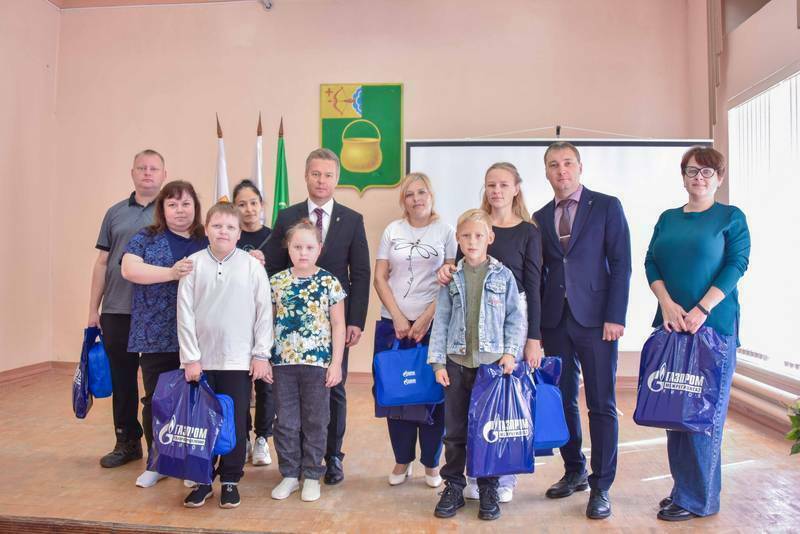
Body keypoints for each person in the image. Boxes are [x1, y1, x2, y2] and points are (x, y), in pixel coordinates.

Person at [644, 146, 750, 521]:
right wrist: (667, 304)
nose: (699, 178)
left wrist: (703, 309)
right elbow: (651, 262)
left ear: (719, 178)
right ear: (683, 176)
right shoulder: (668, 218)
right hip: (672, 326)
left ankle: (699, 500)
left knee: (703, 416)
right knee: (674, 412)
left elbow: (737, 264)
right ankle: (682, 490)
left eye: (707, 172)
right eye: (692, 171)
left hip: (713, 329)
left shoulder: (730, 217)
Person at [533, 141, 631, 520]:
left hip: (598, 321)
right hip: (555, 321)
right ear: (546, 172)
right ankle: (574, 469)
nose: (562, 170)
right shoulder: (540, 217)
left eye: (568, 163)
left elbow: (620, 264)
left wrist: (615, 316)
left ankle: (601, 485)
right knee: (562, 399)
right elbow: (539, 272)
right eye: (553, 164)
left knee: (602, 403)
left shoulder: (606, 206)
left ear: (579, 167)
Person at [436, 162, 543, 503]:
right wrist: (445, 270)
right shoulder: (473, 227)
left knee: (500, 409)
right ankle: (465, 479)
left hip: (504, 333)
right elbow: (455, 282)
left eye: (503, 184)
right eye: (491, 185)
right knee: (462, 416)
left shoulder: (528, 232)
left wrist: (531, 340)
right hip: (464, 340)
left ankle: (498, 481)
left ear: (516, 188)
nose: (496, 191)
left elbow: (532, 290)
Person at [264, 148, 370, 485]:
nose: (321, 180)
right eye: (315, 174)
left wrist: (355, 320)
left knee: (333, 388)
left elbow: (361, 273)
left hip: (334, 325)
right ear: (306, 176)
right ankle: (295, 463)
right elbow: (273, 265)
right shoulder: (287, 216)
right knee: (291, 399)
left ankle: (332, 456)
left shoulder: (352, 219)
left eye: (328, 175)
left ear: (337, 179)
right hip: (292, 331)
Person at [428, 208, 524, 522]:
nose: (472, 241)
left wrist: (510, 353)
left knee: (488, 431)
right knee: (455, 431)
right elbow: (441, 320)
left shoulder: (503, 276)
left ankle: (488, 488)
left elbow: (514, 318)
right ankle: (454, 487)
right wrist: (438, 363)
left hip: (490, 369)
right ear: (458, 239)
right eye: (466, 236)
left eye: (479, 236)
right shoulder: (451, 278)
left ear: (490, 238)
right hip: (456, 365)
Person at [177, 202, 274, 509]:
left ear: (239, 232)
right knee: (200, 422)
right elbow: (184, 314)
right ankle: (203, 480)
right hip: (201, 362)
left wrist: (261, 354)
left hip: (238, 359)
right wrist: (190, 358)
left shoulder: (252, 266)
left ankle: (230, 479)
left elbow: (264, 312)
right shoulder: (193, 265)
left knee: (233, 421)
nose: (223, 232)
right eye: (217, 226)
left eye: (230, 227)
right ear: (206, 229)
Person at [120, 180, 207, 488]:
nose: (179, 210)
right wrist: (171, 273)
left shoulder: (206, 239)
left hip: (199, 336)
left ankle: (192, 463)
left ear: (196, 207)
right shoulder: (146, 237)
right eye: (172, 204)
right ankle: (157, 462)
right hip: (155, 333)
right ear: (162, 208)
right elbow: (129, 270)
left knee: (197, 400)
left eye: (185, 203)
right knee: (156, 400)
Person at [373, 173, 456, 488]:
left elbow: (451, 280)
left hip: (433, 325)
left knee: (432, 395)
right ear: (403, 201)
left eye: (422, 192)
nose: (417, 198)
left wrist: (425, 318)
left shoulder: (446, 231)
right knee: (396, 393)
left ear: (431, 196)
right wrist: (397, 317)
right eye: (410, 194)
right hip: (393, 325)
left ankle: (432, 464)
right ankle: (402, 459)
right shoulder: (392, 230)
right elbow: (380, 277)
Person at [88, 149, 167, 468]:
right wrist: (93, 310)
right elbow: (102, 263)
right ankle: (127, 442)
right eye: (141, 168)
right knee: (122, 380)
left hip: (158, 311)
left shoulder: (171, 211)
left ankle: (162, 445)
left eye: (154, 168)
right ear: (132, 173)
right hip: (117, 309)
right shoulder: (115, 213)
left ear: (164, 175)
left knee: (158, 383)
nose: (147, 173)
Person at [269, 220, 347, 503]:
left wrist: (336, 363)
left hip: (318, 365)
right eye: (297, 247)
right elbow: (267, 323)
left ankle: (312, 474)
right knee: (286, 422)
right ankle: (290, 474)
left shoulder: (329, 282)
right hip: (283, 364)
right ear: (288, 248)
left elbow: (338, 324)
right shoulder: (276, 282)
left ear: (319, 249)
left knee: (316, 420)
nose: (303, 252)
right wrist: (264, 357)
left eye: (309, 247)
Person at [233, 179, 274, 467]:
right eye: (242, 204)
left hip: (267, 319)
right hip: (236, 321)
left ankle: (262, 439)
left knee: (265, 384)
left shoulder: (274, 237)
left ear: (262, 205)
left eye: (253, 203)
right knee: (240, 384)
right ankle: (244, 437)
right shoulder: (229, 237)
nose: (248, 209)